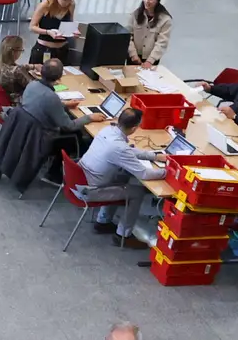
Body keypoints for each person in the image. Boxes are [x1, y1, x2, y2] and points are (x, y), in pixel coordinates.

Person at [77, 107, 167, 246]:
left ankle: (103, 221)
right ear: (134, 128)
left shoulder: (108, 130)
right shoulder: (119, 147)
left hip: (80, 179)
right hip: (89, 191)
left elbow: (127, 151)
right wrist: (168, 172)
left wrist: (154, 156)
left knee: (122, 177)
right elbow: (144, 174)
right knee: (137, 193)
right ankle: (123, 236)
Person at [18, 59, 88, 137]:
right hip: (45, 136)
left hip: (29, 129)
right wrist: (90, 117)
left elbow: (43, 105)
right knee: (80, 133)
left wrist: (64, 104)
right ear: (60, 76)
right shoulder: (51, 97)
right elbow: (69, 126)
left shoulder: (31, 85)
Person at [27, 0, 76, 64]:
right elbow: (32, 27)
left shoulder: (71, 5)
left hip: (62, 49)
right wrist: (48, 32)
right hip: (44, 48)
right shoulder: (45, 5)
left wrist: (73, 30)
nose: (67, 3)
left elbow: (70, 22)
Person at [129, 0, 171, 66]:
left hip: (151, 60)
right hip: (133, 57)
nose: (147, 1)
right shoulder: (134, 15)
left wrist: (150, 60)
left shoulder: (165, 20)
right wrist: (133, 54)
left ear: (158, 0)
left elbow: (162, 42)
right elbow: (128, 36)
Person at [0, 34, 34, 102]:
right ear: (14, 52)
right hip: (16, 103)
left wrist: (31, 66)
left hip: (1, 102)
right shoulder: (17, 71)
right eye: (21, 50)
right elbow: (34, 87)